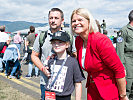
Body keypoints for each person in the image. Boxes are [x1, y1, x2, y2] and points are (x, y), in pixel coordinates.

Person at [71, 8, 128, 100]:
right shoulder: (78, 41)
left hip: (109, 91)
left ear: (89, 22)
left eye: (80, 20)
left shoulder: (101, 41)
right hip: (92, 90)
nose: (76, 23)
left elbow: (119, 70)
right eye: (73, 21)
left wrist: (123, 95)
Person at [31, 8, 76, 100]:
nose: (53, 20)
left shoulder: (69, 37)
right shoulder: (42, 36)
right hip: (46, 83)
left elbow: (75, 55)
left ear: (62, 20)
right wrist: (43, 69)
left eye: (56, 18)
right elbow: (34, 55)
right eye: (51, 18)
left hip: (64, 84)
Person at [42, 31, 85, 100]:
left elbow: (78, 83)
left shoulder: (73, 62)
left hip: (64, 97)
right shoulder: (51, 60)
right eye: (54, 42)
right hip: (49, 95)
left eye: (60, 42)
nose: (56, 45)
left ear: (67, 45)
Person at [116, 10, 133, 99]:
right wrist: (121, 67)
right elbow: (119, 50)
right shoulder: (124, 31)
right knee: (127, 87)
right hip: (128, 61)